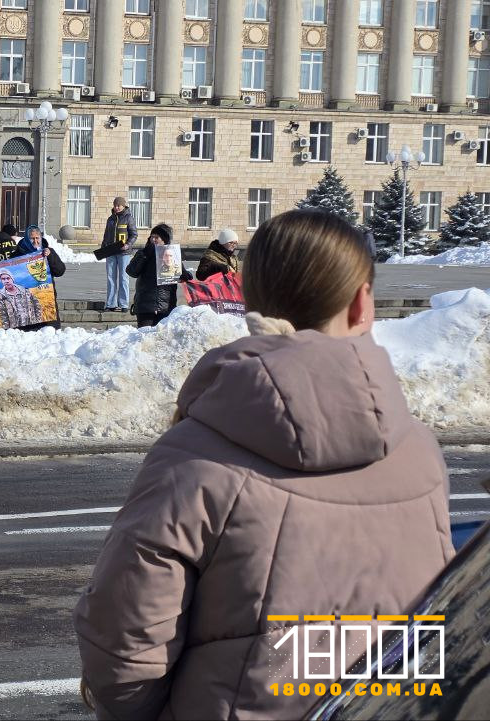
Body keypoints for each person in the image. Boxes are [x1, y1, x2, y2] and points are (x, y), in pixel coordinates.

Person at [73, 209, 454, 720]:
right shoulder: (422, 455)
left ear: (249, 296)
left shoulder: (194, 455)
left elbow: (126, 638)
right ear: (364, 304)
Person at [125, 223, 190, 328]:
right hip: (146, 305)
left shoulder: (171, 254)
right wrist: (145, 254)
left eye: (157, 237)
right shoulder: (143, 253)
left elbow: (182, 273)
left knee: (161, 339)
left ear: (164, 240)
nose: (154, 239)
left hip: (166, 305)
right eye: (152, 236)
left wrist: (185, 275)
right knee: (144, 337)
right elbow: (131, 271)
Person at [101, 197, 136, 312]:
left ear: (123, 206)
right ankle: (111, 304)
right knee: (111, 278)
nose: (116, 207)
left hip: (124, 252)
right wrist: (103, 250)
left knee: (123, 278)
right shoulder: (110, 219)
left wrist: (128, 244)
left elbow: (134, 234)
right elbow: (106, 235)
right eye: (115, 205)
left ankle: (124, 304)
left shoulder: (128, 218)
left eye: (118, 205)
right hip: (111, 251)